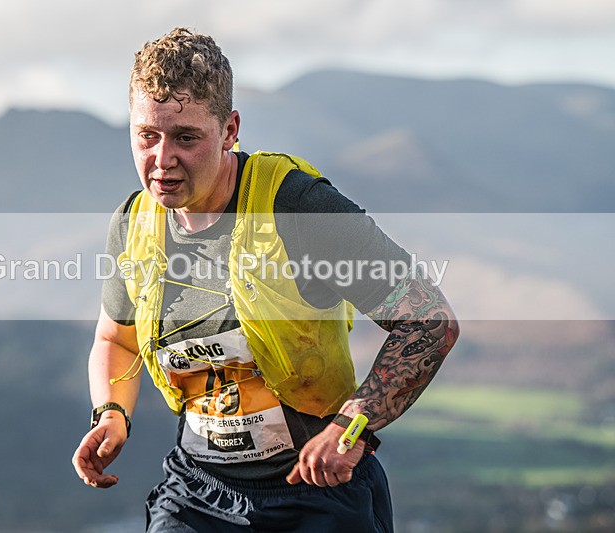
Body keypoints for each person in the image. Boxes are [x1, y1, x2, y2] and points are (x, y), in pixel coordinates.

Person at [72, 27, 459, 532]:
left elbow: (429, 322)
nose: (162, 159)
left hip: (318, 493)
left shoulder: (298, 207)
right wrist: (111, 415)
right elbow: (115, 340)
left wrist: (351, 427)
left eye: (187, 138)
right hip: (198, 494)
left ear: (230, 129)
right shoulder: (134, 223)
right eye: (147, 135)